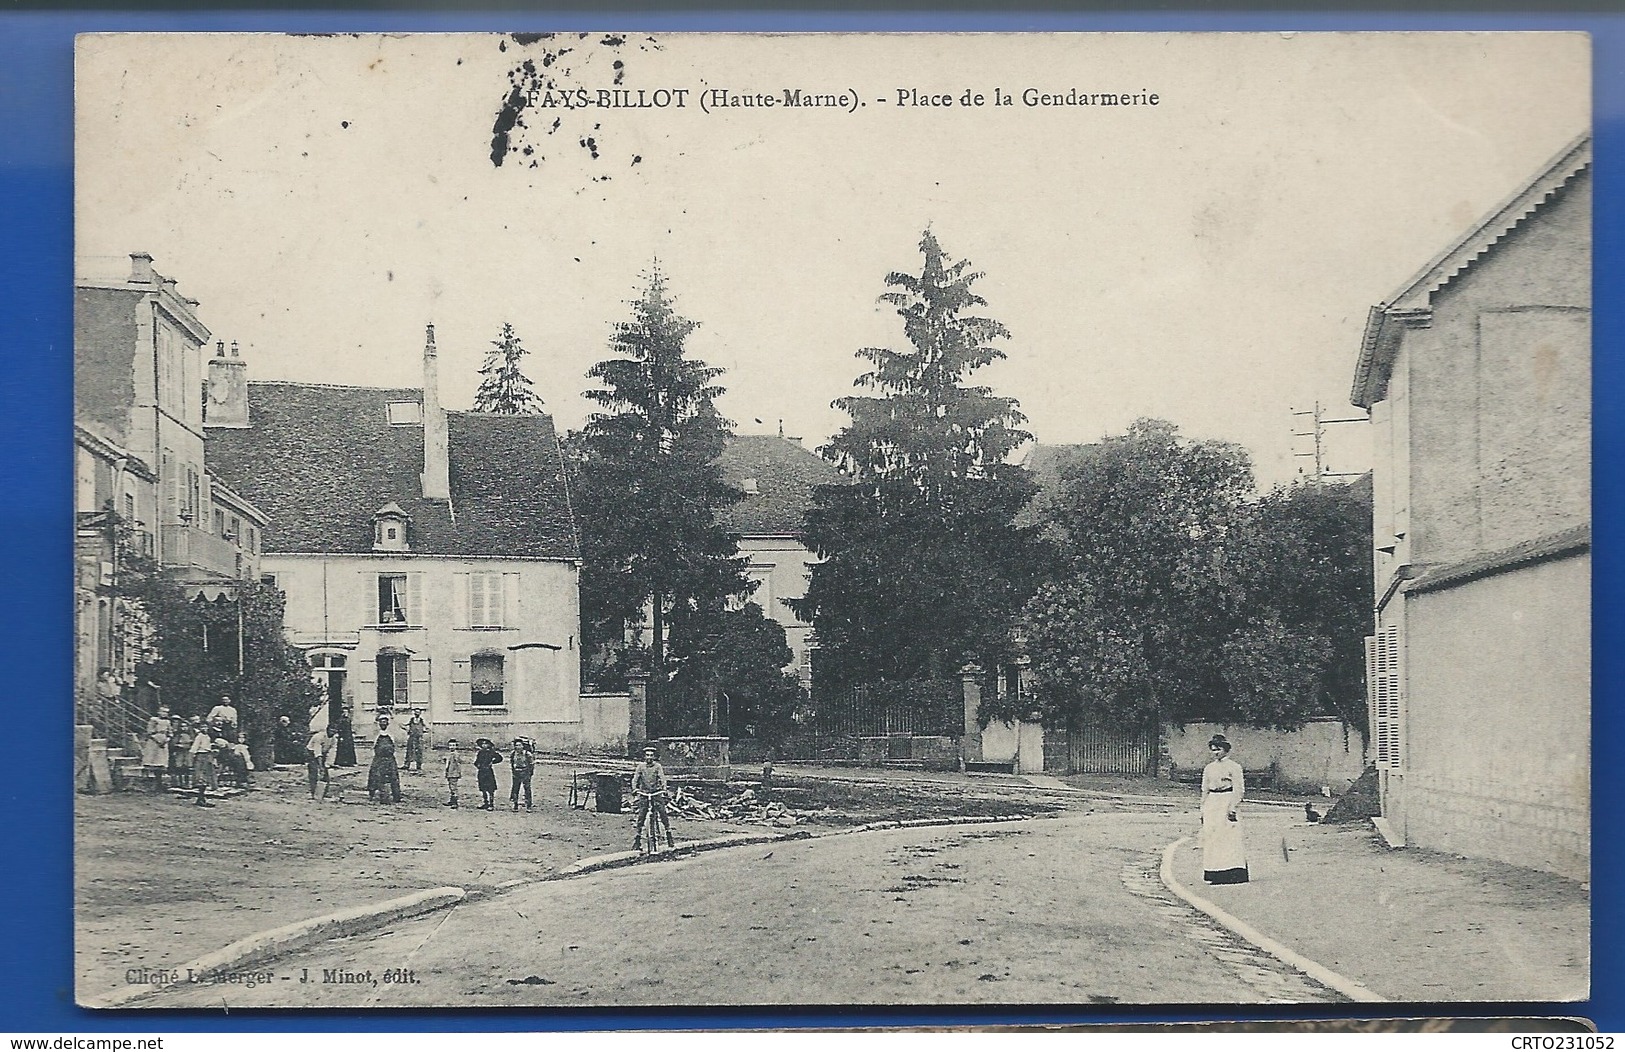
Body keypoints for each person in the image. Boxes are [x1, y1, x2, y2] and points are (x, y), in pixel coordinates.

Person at [1200, 733, 1249, 885]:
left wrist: (1232, 807)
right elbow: (1205, 789)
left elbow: (1239, 789)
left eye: (1219, 749)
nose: (1216, 753)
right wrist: (1202, 808)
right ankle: (1215, 873)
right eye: (1213, 750)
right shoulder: (1209, 768)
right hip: (1212, 803)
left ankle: (1233, 873)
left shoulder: (1234, 767)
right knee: (1213, 838)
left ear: (1226, 750)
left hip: (1226, 801)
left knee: (1229, 838)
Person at [632, 745, 674, 851]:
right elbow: (635, 779)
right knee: (641, 816)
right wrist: (635, 789)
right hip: (644, 793)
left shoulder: (657, 766)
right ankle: (637, 839)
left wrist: (664, 788)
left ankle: (669, 834)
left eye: (651, 755)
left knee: (663, 812)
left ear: (654, 757)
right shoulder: (641, 767)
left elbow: (662, 778)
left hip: (656, 793)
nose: (649, 757)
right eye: (647, 755)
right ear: (644, 757)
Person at [368, 715, 403, 803]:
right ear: (379, 723)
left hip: (389, 759)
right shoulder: (376, 734)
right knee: (375, 775)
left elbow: (394, 745)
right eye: (381, 722)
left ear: (387, 723)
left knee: (394, 777)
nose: (383, 724)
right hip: (379, 759)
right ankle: (372, 793)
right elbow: (373, 746)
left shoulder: (391, 734)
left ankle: (396, 796)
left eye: (385, 722)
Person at [141, 705, 171, 789]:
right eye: (162, 711)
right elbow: (149, 732)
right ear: (158, 712)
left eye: (166, 712)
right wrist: (157, 740)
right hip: (154, 742)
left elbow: (170, 732)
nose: (164, 714)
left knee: (161, 762)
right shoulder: (153, 720)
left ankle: (159, 782)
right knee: (153, 760)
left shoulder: (168, 722)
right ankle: (151, 783)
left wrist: (166, 740)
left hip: (163, 742)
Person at [306, 723, 338, 801]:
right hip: (312, 752)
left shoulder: (334, 739)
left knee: (325, 774)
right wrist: (320, 767)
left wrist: (327, 764)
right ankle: (313, 792)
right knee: (314, 772)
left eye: (335, 731)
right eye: (331, 730)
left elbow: (332, 752)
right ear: (327, 729)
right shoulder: (319, 737)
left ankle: (323, 794)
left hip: (323, 753)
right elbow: (317, 752)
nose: (332, 733)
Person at [189, 721, 218, 807]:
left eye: (206, 727)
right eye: (202, 727)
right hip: (201, 757)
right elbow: (194, 747)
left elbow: (207, 746)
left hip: (207, 756)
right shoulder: (199, 736)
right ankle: (200, 799)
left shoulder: (207, 736)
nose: (204, 729)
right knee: (201, 777)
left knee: (208, 776)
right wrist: (191, 758)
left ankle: (201, 798)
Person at [472, 738, 504, 811]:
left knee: (490, 789)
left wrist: (493, 762)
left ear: (488, 745)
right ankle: (485, 802)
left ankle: (491, 804)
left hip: (488, 772)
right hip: (481, 772)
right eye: (482, 744)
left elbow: (500, 758)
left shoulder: (491, 752)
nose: (484, 745)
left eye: (486, 744)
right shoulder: (480, 753)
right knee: (483, 788)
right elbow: (476, 762)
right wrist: (478, 765)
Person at [508, 736, 536, 811]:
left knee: (527, 788)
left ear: (523, 746)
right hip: (516, 772)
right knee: (515, 788)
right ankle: (515, 804)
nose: (518, 747)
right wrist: (513, 771)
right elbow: (512, 763)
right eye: (516, 745)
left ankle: (529, 805)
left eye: (520, 745)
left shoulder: (527, 754)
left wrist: (529, 773)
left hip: (525, 772)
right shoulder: (513, 754)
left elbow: (531, 764)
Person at [167, 714, 190, 789]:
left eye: (177, 721)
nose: (175, 723)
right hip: (178, 752)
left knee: (186, 767)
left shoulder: (190, 734)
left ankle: (186, 783)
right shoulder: (177, 734)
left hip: (187, 752)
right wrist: (176, 747)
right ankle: (177, 782)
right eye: (174, 721)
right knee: (177, 767)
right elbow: (173, 743)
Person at [443, 738, 463, 808]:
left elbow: (458, 764)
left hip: (454, 773)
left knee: (453, 787)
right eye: (450, 745)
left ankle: (455, 802)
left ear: (456, 746)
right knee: (451, 787)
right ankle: (452, 801)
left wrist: (458, 772)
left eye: (453, 745)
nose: (451, 747)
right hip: (449, 772)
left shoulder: (456, 754)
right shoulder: (450, 754)